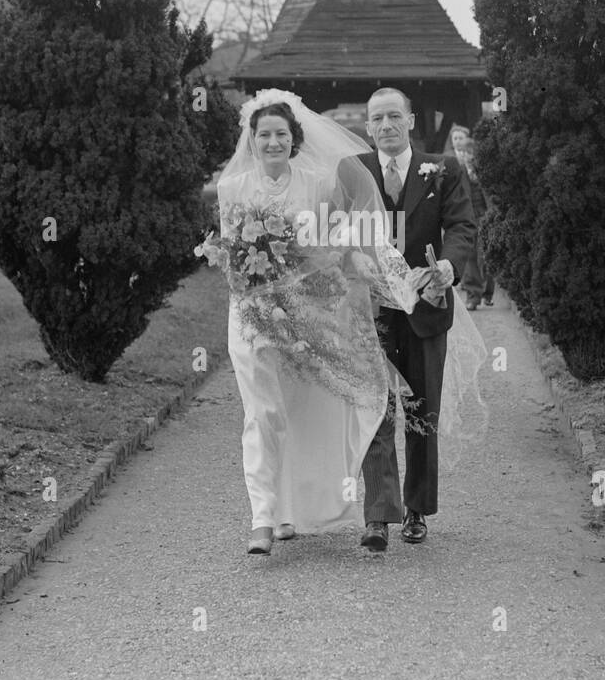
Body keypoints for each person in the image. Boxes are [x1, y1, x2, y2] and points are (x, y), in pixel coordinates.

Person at [209, 91, 417, 555]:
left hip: (303, 315)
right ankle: (261, 518)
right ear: (252, 138)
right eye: (264, 135)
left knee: (298, 414)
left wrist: (355, 258)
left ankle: (288, 512)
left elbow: (339, 235)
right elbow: (228, 256)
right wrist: (251, 275)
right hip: (251, 315)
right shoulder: (232, 188)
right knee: (261, 412)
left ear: (294, 137)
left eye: (281, 134)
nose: (273, 142)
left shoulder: (317, 184)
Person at [354, 87, 478, 551]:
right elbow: (334, 227)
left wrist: (447, 265)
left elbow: (463, 226)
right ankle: (377, 516)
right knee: (376, 409)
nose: (385, 126)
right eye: (377, 119)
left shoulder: (442, 168)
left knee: (421, 410)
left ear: (409, 120)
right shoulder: (355, 172)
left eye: (393, 116)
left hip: (426, 309)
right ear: (367, 128)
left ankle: (417, 508)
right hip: (371, 311)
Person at [455, 137, 496, 309]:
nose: (464, 155)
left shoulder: (485, 171)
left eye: (467, 152)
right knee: (470, 258)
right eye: (462, 152)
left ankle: (488, 292)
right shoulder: (458, 172)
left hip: (486, 218)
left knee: (486, 257)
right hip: (468, 219)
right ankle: (473, 296)